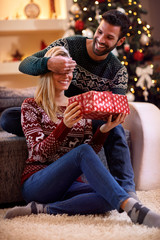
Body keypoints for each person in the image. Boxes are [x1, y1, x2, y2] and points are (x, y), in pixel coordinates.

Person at [4, 46, 160, 229]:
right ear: (48, 72)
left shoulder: (78, 104)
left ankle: (43, 209)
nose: (67, 76)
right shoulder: (31, 106)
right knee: (86, 156)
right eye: (61, 71)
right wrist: (65, 126)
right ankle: (134, 209)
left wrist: (104, 130)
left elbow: (89, 153)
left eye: (70, 71)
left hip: (70, 185)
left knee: (109, 196)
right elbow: (38, 155)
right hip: (38, 182)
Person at [0, 10, 136, 200]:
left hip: (86, 118)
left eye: (109, 37)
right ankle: (49, 133)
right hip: (52, 108)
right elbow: (25, 64)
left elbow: (115, 109)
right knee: (8, 117)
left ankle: (127, 191)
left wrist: (101, 110)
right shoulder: (70, 45)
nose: (101, 39)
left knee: (116, 129)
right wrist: (49, 63)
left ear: (119, 42)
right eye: (99, 31)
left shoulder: (117, 71)